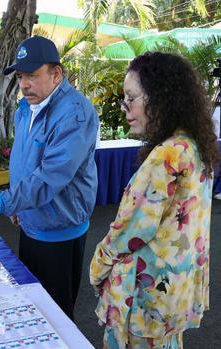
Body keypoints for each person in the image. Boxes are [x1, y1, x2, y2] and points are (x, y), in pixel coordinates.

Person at [89, 52, 218, 349]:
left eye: (130, 99)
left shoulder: (166, 155)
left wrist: (97, 268)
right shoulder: (194, 147)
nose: (125, 109)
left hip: (144, 302)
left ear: (160, 98)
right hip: (174, 294)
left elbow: (129, 231)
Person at [0, 36, 99, 320]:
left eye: (32, 75)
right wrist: (17, 204)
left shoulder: (74, 114)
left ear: (56, 74)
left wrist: (2, 204)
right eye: (20, 76)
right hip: (31, 222)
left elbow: (50, 176)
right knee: (32, 307)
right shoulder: (26, 108)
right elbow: (24, 162)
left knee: (55, 316)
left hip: (59, 231)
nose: (24, 84)